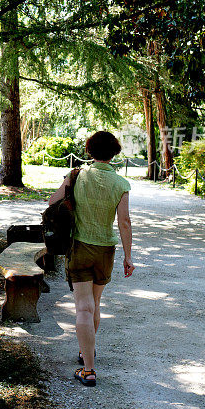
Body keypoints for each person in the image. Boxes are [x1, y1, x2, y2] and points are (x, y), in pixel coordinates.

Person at [48, 131, 134, 387]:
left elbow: (52, 201)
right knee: (94, 304)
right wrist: (128, 257)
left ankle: (88, 369)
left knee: (83, 307)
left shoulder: (76, 175)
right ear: (115, 152)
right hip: (105, 250)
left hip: (80, 247)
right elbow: (124, 222)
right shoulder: (121, 184)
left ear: (89, 151)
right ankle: (87, 351)